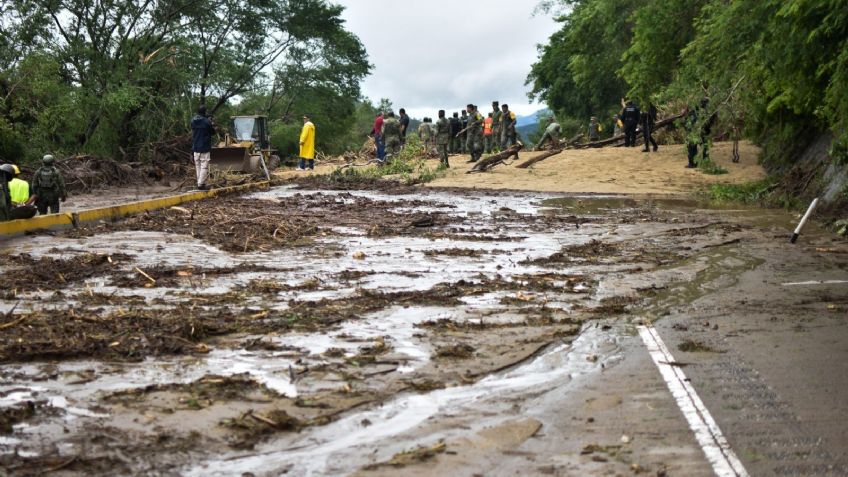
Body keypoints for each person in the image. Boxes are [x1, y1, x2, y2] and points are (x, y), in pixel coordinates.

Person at [685, 98, 717, 168]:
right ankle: (704, 162)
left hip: (697, 131)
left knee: (692, 146)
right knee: (704, 146)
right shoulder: (711, 111)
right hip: (704, 131)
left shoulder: (699, 111)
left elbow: (691, 120)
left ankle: (693, 163)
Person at [190, 104, 215, 190]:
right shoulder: (206, 121)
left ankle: (200, 183)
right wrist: (211, 123)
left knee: (198, 166)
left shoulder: (193, 120)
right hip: (204, 147)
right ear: (205, 112)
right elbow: (212, 132)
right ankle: (200, 184)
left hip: (196, 147)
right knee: (204, 166)